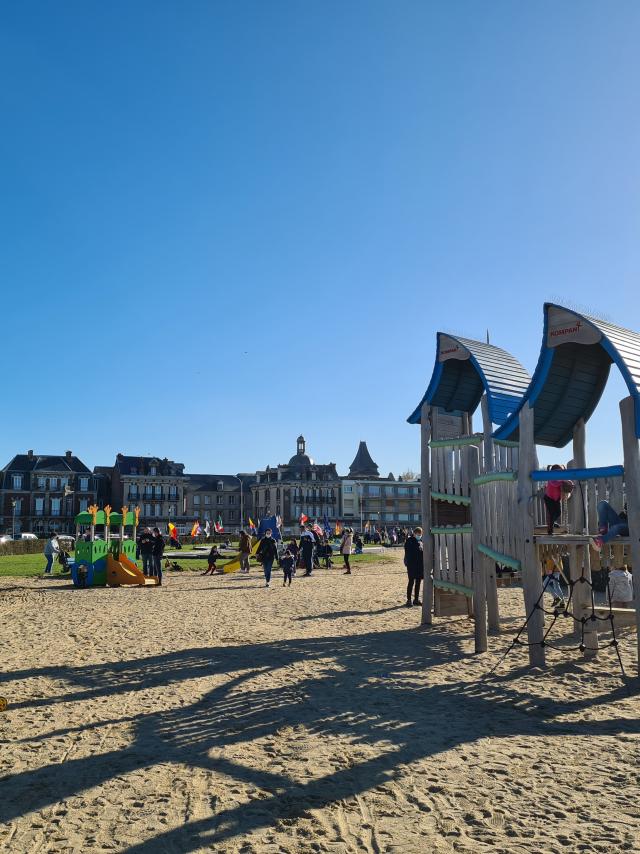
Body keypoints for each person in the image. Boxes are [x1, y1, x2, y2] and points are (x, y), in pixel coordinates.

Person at [544, 465, 573, 535]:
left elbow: (569, 481)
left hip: (556, 499)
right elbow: (554, 484)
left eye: (561, 472)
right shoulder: (551, 477)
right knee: (551, 514)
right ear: (553, 472)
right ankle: (550, 530)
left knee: (558, 513)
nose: (559, 474)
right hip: (549, 498)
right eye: (558, 471)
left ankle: (552, 523)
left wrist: (570, 484)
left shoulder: (561, 479)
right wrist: (563, 482)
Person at [404, 527, 424, 606]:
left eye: (421, 535)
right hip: (411, 565)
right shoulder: (409, 541)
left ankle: (416, 599)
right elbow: (409, 552)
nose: (420, 536)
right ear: (414, 534)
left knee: (418, 582)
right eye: (418, 534)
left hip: (419, 565)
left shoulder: (421, 541)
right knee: (411, 582)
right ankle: (409, 600)